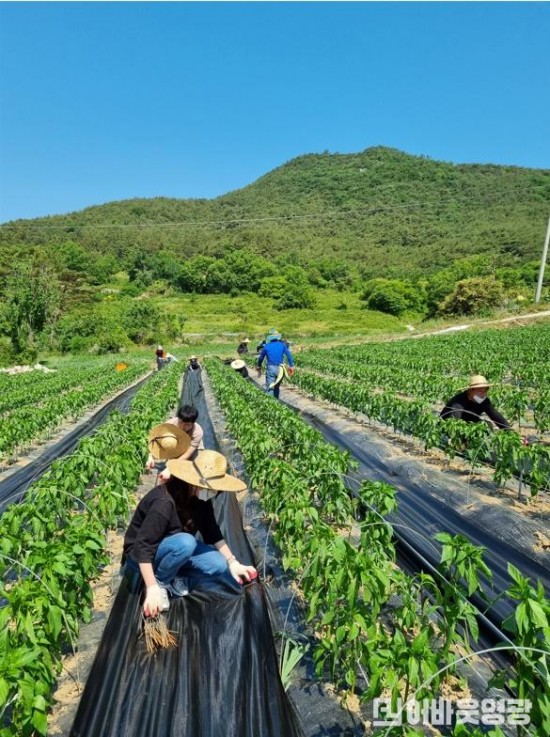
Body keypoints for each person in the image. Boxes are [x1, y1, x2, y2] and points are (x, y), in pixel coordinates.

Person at [122, 449, 257, 617]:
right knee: (186, 542)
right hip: (140, 556)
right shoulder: (164, 502)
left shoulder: (200, 499)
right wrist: (152, 588)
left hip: (172, 548)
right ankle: (161, 582)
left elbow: (212, 530)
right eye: (210, 488)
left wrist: (233, 562)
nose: (213, 493)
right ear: (195, 483)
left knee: (218, 564)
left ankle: (172, 574)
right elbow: (143, 546)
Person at [146, 406, 205, 481]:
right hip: (177, 443)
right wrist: (150, 456)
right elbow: (155, 440)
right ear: (178, 418)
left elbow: (188, 454)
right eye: (180, 422)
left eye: (187, 425)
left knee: (195, 469)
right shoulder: (169, 425)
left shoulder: (197, 432)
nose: (183, 427)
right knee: (174, 466)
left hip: (192, 448)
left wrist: (170, 468)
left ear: (193, 423)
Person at [440, 375, 511, 430]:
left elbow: (496, 417)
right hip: (448, 427)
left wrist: (510, 431)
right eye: (479, 391)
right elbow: (454, 423)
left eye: (485, 391)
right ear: (470, 390)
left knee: (487, 425)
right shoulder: (458, 402)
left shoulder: (484, 401)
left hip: (470, 426)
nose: (482, 394)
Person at [257, 329, 295, 399]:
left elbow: (261, 358)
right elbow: (289, 355)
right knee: (277, 386)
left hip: (271, 368)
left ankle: (271, 405)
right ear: (278, 337)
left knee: (270, 387)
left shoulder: (266, 346)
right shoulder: (282, 345)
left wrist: (259, 367)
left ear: (270, 338)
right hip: (280, 369)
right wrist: (292, 366)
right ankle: (276, 402)